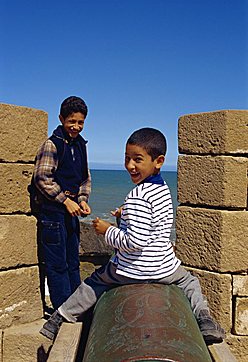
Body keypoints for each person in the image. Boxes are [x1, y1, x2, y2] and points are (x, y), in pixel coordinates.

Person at [40, 127, 225, 345]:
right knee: (190, 282)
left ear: (158, 161)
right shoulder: (163, 189)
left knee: (93, 283)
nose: (130, 165)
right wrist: (125, 214)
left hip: (131, 270)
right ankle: (204, 319)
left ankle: (58, 319)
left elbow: (134, 242)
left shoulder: (136, 196)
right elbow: (154, 223)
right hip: (164, 269)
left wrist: (107, 230)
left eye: (137, 159)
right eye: (127, 158)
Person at [34, 96, 91, 311]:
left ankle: (76, 308)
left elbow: (85, 178)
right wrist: (65, 200)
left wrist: (83, 200)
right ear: (61, 119)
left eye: (80, 122)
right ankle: (62, 312)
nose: (76, 127)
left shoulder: (81, 145)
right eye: (72, 122)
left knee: (73, 264)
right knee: (57, 266)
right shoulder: (52, 144)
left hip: (72, 213)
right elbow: (42, 178)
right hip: (54, 215)